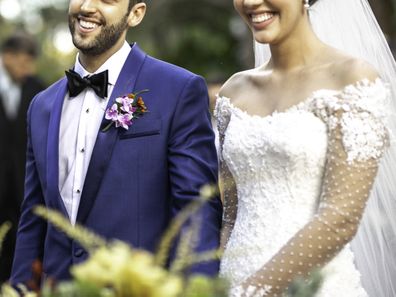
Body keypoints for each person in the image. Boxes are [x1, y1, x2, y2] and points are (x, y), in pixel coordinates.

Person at [10, 0, 222, 285]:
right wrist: (19, 288)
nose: (87, 6)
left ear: (135, 14)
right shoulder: (41, 105)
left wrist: (196, 289)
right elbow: (33, 218)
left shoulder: (178, 89)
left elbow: (195, 213)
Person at [215, 0, 396, 296]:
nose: (249, 2)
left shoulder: (351, 79)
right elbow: (231, 214)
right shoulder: (233, 92)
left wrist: (253, 291)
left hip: (314, 285)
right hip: (233, 279)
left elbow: (341, 218)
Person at [0, 31, 45, 282]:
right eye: (23, 62)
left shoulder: (38, 90)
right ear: (7, 56)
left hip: (21, 192)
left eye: (31, 63)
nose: (27, 69)